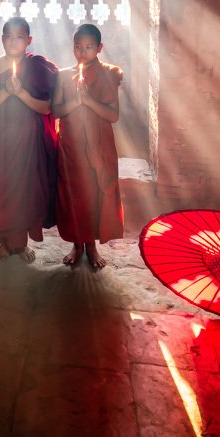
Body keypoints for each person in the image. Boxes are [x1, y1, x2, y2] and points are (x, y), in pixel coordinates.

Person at [0, 17, 58, 262]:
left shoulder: (36, 68)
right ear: (2, 39)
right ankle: (4, 242)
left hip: (28, 140)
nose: (13, 42)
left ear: (28, 41)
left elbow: (45, 108)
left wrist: (21, 92)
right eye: (8, 37)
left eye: (19, 37)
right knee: (2, 189)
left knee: (25, 191)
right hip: (1, 142)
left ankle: (20, 244)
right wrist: (6, 92)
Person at [52, 23, 124, 269]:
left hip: (99, 147)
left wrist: (88, 99)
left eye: (89, 47)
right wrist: (75, 101)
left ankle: (91, 246)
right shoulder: (63, 76)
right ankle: (76, 244)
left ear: (99, 48)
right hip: (70, 145)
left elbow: (112, 114)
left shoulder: (108, 75)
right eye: (78, 47)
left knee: (94, 193)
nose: (82, 52)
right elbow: (57, 111)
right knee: (74, 194)